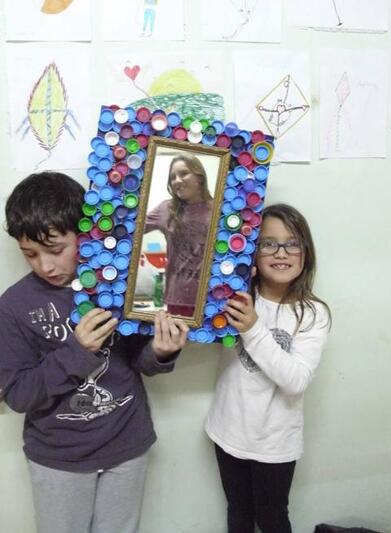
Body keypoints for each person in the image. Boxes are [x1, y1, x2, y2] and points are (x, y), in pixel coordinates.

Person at [0, 171, 188, 533]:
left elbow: (140, 361)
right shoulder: (13, 306)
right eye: (30, 254)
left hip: (127, 443)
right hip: (58, 457)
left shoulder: (119, 281)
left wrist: (161, 351)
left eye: (56, 250)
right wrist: (77, 350)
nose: (45, 266)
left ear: (84, 234)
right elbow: (19, 395)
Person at [205, 203, 331, 533]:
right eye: (269, 243)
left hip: (275, 442)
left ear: (306, 252)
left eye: (292, 243)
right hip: (228, 430)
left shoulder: (313, 313)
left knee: (272, 518)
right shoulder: (235, 299)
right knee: (238, 512)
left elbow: (296, 380)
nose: (281, 252)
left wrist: (253, 329)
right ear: (253, 252)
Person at [145, 152, 213, 317]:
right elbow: (130, 229)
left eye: (183, 173)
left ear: (199, 177)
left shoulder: (220, 208)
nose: (176, 181)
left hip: (213, 297)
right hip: (178, 298)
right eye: (172, 177)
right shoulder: (166, 209)